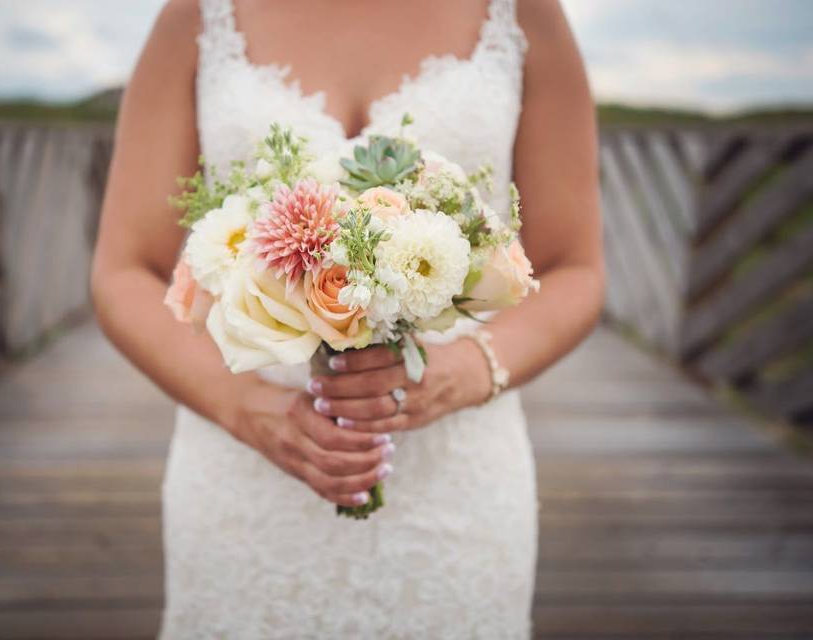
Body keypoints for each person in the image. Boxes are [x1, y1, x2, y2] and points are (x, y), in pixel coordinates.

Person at [90, 0, 604, 637]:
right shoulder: (199, 13)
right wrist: (243, 406)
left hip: (455, 485)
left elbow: (574, 267)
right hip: (242, 482)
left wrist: (468, 369)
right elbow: (124, 270)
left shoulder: (521, 12)